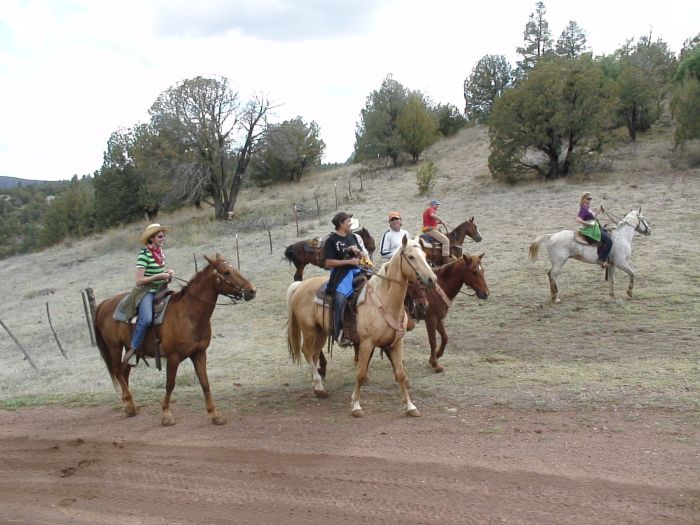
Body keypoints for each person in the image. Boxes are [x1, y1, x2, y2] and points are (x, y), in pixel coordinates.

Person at [122, 223, 176, 366]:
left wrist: (168, 273)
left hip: (160, 289)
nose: (163, 238)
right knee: (145, 319)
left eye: (164, 236)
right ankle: (133, 349)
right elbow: (139, 280)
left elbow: (160, 271)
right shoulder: (143, 255)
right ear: (151, 238)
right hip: (146, 291)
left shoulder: (160, 252)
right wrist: (158, 276)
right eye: (160, 236)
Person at [324, 211, 364, 345]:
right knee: (340, 298)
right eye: (348, 221)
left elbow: (361, 256)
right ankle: (338, 330)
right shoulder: (331, 240)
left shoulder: (352, 236)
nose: (350, 223)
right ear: (341, 223)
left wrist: (359, 253)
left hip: (358, 270)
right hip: (341, 274)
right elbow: (328, 263)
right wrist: (348, 262)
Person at [576, 192, 613, 268]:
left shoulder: (587, 207)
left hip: (596, 227)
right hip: (591, 229)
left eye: (590, 198)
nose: (590, 200)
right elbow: (578, 219)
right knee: (609, 241)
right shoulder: (583, 208)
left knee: (607, 233)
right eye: (588, 198)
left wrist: (599, 210)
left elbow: (593, 217)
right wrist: (588, 224)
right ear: (583, 199)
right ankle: (602, 259)